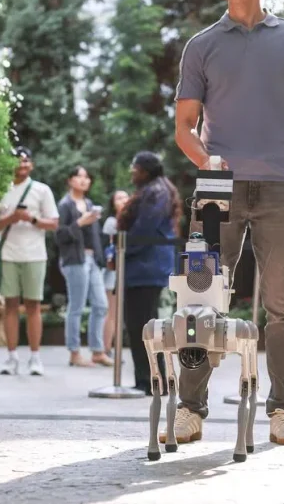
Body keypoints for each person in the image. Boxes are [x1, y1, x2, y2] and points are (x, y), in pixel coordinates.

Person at [167, 0, 284, 447]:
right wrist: (205, 161)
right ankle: (190, 409)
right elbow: (184, 128)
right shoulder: (202, 45)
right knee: (199, 301)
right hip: (217, 190)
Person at [0, 147, 59, 376]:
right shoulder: (1, 189)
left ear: (31, 165)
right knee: (10, 306)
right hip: (8, 254)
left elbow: (53, 223)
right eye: (18, 161)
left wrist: (32, 218)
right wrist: (11, 218)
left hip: (35, 254)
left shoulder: (41, 190)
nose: (22, 165)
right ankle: (12, 356)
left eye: (26, 161)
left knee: (34, 305)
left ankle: (35, 357)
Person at [118, 152, 180, 394]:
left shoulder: (156, 192)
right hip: (145, 266)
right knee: (143, 325)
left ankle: (151, 381)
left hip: (146, 266)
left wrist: (121, 251)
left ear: (145, 170)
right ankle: (152, 380)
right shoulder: (157, 189)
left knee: (141, 325)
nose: (132, 172)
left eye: (134, 168)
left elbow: (145, 229)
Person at [55, 165, 113, 368]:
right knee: (76, 306)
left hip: (92, 261)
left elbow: (95, 236)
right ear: (70, 180)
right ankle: (74, 352)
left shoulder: (89, 204)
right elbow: (59, 235)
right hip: (74, 260)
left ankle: (97, 351)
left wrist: (101, 257)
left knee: (101, 305)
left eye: (87, 177)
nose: (84, 180)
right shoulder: (64, 205)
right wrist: (80, 222)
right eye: (79, 176)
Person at [101, 190, 130, 358]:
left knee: (118, 312)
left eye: (126, 197)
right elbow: (110, 248)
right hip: (113, 270)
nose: (123, 200)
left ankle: (113, 347)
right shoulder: (112, 222)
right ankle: (106, 348)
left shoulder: (129, 220)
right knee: (112, 310)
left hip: (125, 269)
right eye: (119, 198)